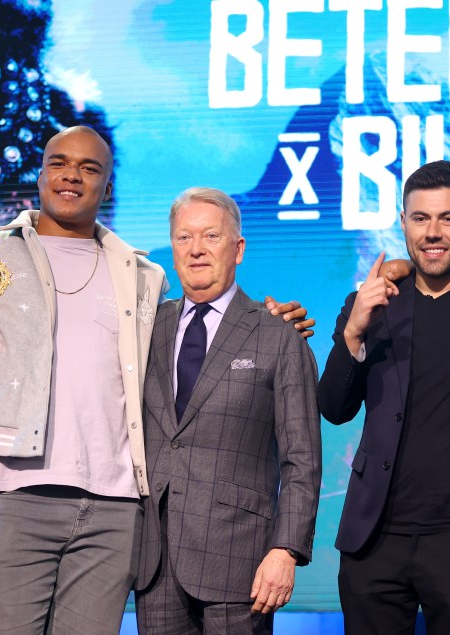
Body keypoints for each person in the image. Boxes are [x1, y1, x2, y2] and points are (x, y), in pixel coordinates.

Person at [0, 126, 311, 634]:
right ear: (41, 172)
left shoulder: (141, 276)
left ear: (108, 186)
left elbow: (216, 350)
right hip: (16, 491)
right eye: (59, 162)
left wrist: (269, 325)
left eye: (90, 168)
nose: (72, 174)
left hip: (116, 513)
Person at [317, 161, 450, 634]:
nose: (432, 232)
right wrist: (353, 331)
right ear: (404, 222)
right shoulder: (371, 303)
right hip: (375, 538)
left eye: (448, 219)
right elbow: (333, 407)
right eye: (420, 218)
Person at [133, 187, 322, 634]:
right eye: (184, 238)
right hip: (154, 562)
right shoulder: (143, 331)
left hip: (242, 561)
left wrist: (286, 550)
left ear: (237, 249)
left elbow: (303, 459)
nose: (196, 249)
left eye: (211, 236)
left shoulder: (277, 334)